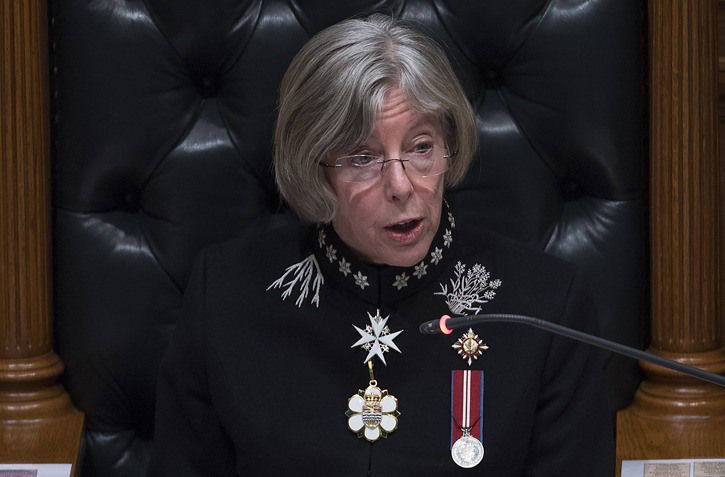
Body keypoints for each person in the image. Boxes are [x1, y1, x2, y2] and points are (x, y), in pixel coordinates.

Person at [148, 14, 614, 476]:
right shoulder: (226, 294)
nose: (401, 185)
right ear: (315, 168)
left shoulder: (548, 308)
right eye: (363, 158)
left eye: (421, 147)